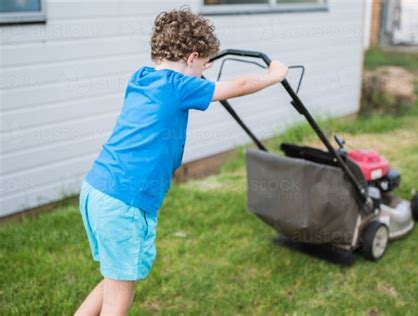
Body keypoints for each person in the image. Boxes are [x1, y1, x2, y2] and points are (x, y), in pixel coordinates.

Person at [75, 7, 287, 316]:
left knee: (113, 279)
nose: (205, 70)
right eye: (203, 63)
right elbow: (238, 86)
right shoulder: (178, 86)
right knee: (120, 298)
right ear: (190, 58)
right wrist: (273, 76)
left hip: (97, 189)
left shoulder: (142, 77)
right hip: (124, 201)